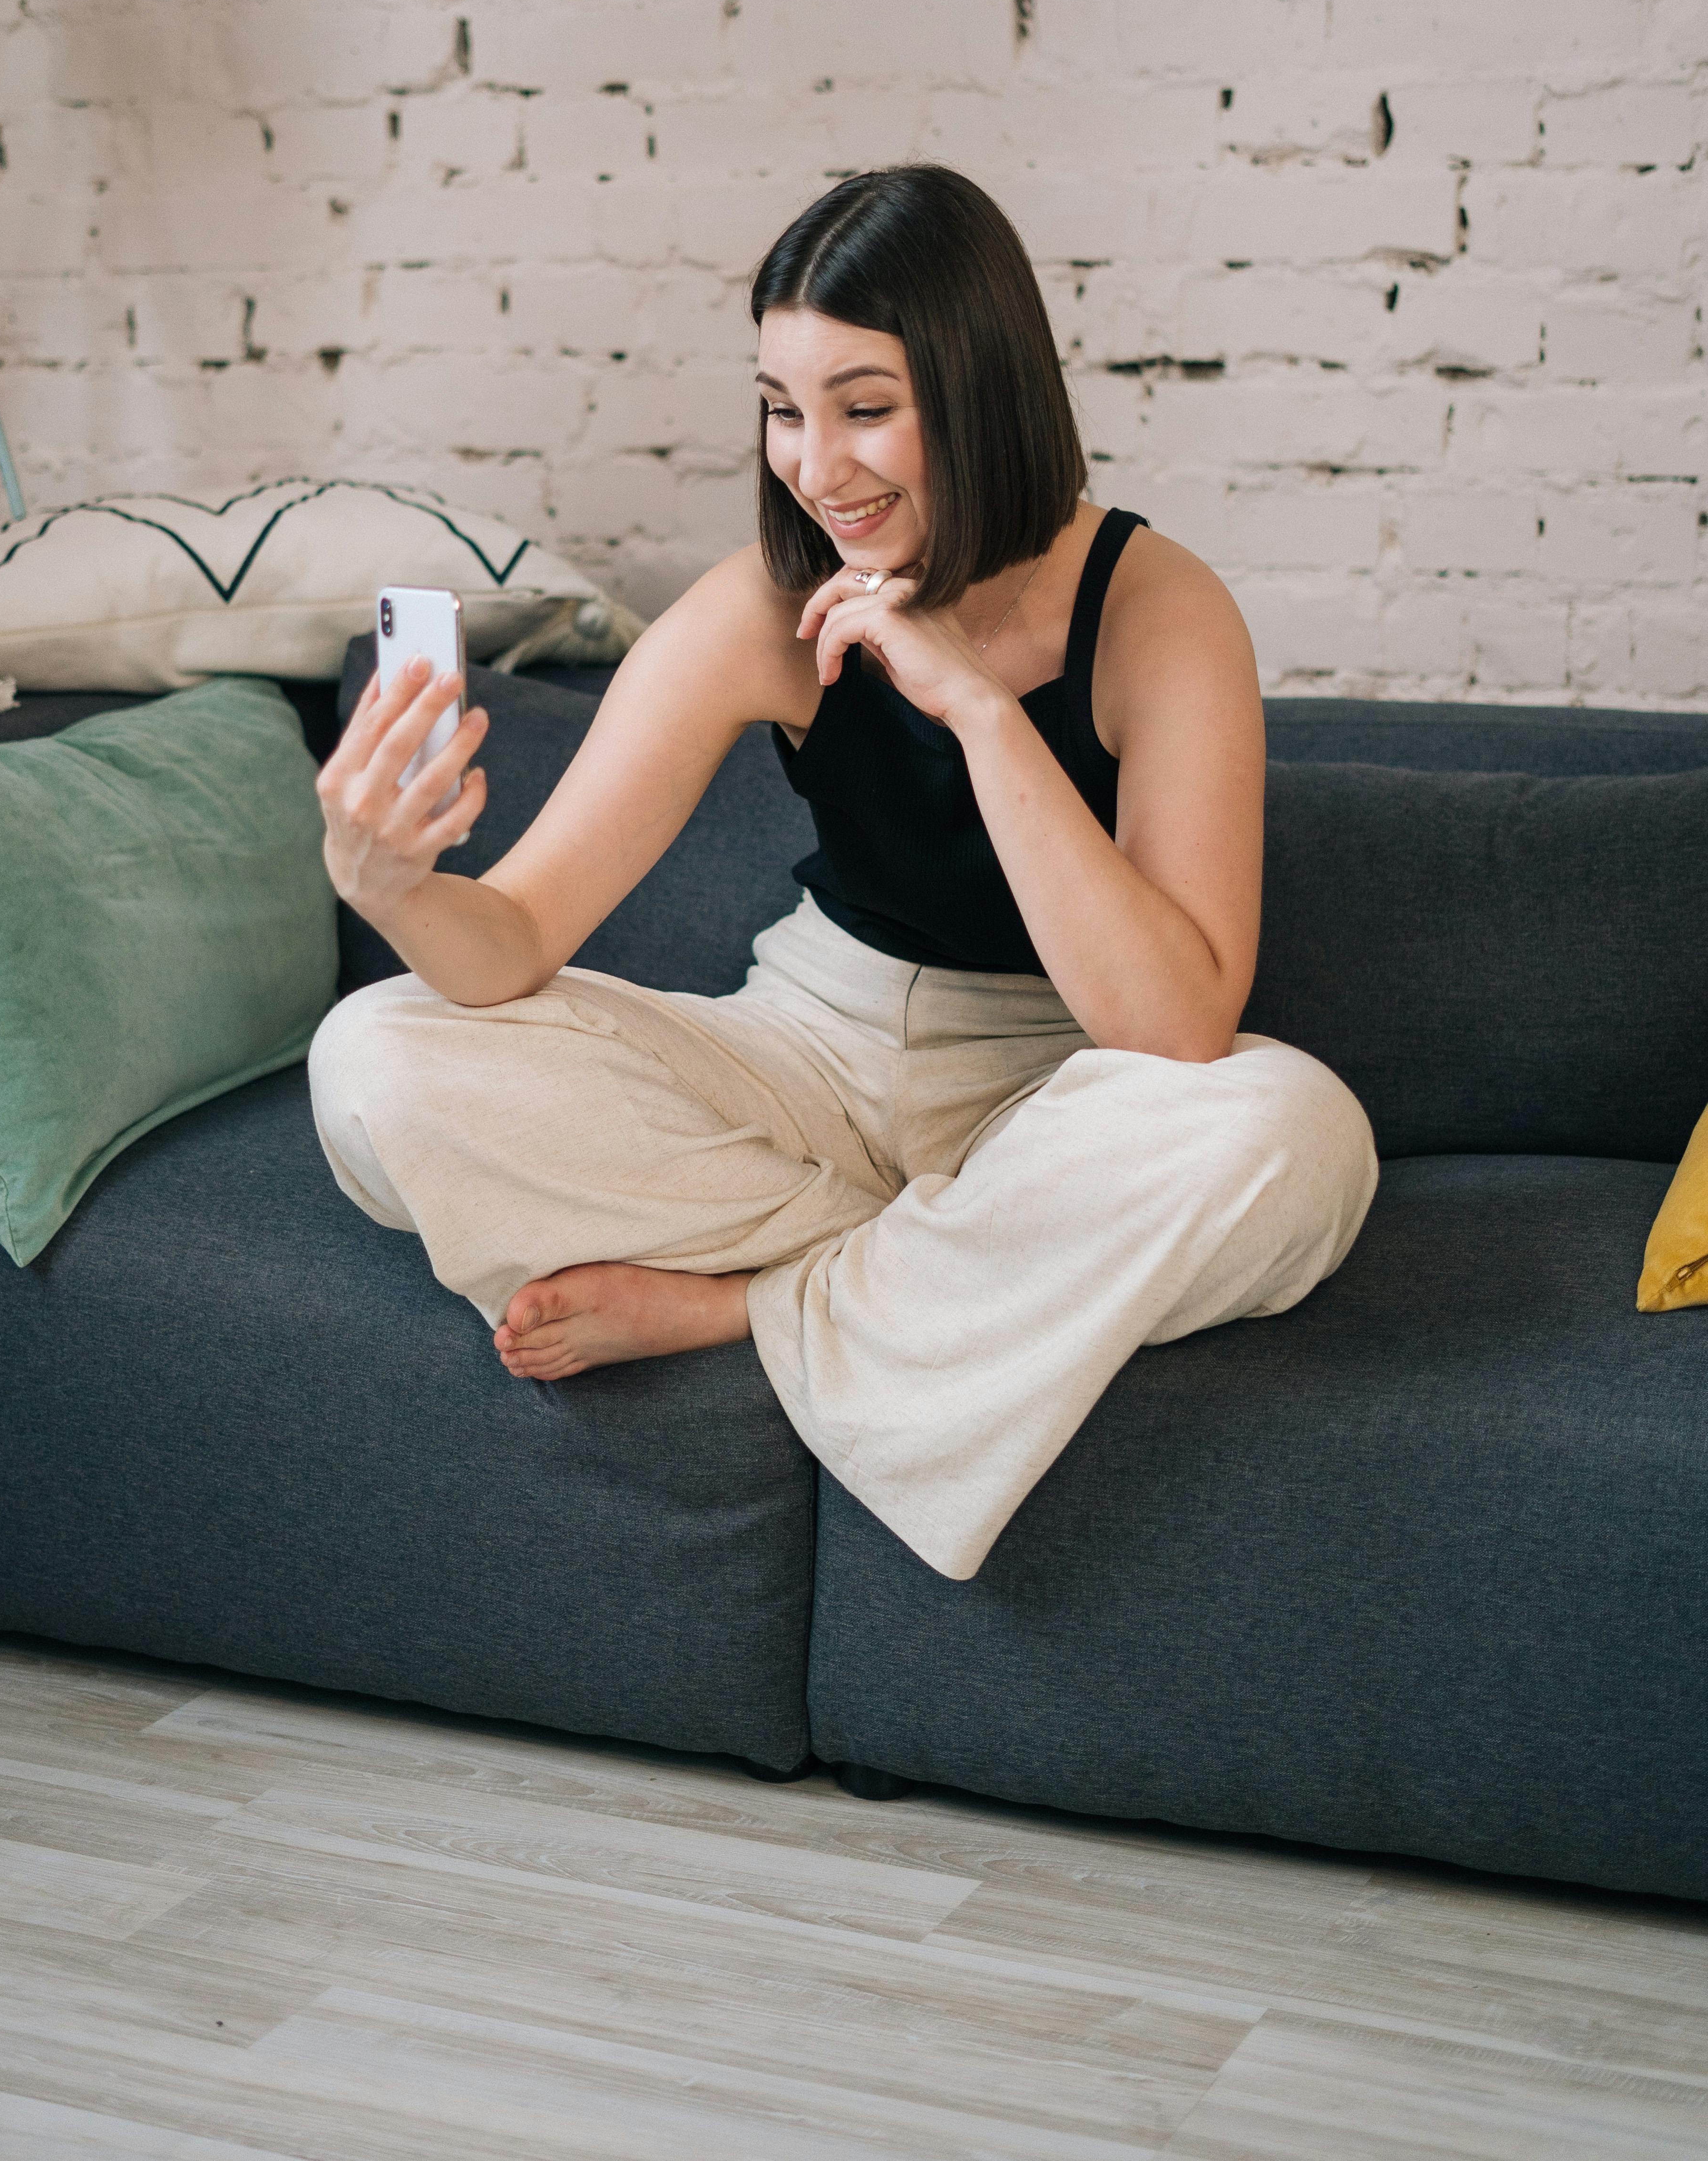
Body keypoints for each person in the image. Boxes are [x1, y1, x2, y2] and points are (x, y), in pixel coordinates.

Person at [309, 165, 1376, 1582]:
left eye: (865, 406)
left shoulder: (1160, 611)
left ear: (982, 388)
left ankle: (748, 1306)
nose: (816, 465)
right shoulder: (763, 598)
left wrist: (984, 713)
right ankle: (929, 1282)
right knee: (372, 1055)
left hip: (1055, 1103)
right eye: (782, 407)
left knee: (1295, 1138)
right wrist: (386, 882)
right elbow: (513, 937)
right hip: (805, 1055)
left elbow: (1174, 1029)